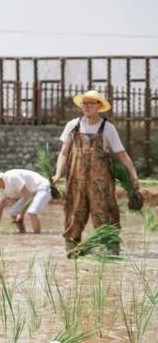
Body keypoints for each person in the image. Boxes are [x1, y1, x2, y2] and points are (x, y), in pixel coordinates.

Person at [51, 90, 140, 254]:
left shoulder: (108, 128)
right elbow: (64, 153)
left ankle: (110, 250)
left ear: (99, 106)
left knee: (104, 213)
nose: (87, 106)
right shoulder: (73, 125)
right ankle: (73, 250)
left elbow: (121, 154)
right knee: (74, 213)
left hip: (101, 184)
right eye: (84, 103)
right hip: (76, 181)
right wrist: (57, 174)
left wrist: (133, 175)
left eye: (91, 103)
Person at [0, 169, 52, 234]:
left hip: (41, 188)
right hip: (30, 193)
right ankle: (23, 233)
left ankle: (37, 237)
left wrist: (21, 213)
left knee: (32, 212)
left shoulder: (11, 177)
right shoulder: (1, 191)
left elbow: (28, 195)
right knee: (13, 213)